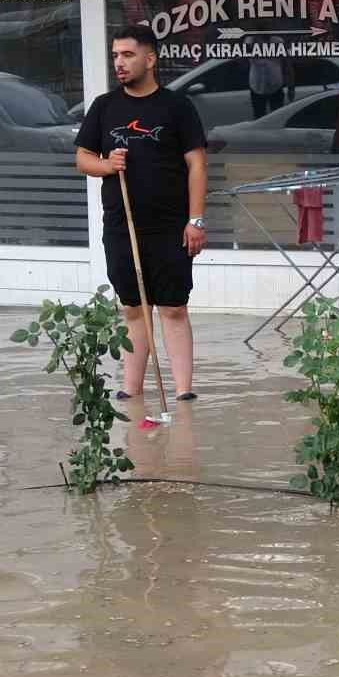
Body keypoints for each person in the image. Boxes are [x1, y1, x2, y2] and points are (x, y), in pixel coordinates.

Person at [75, 25, 208, 401]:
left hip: (170, 226)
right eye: (115, 55)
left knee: (173, 307)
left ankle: (183, 393)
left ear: (150, 59)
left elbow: (197, 164)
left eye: (127, 55)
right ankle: (131, 392)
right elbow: (82, 158)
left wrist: (195, 219)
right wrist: (107, 165)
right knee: (133, 309)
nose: (119, 62)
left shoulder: (177, 106)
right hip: (122, 226)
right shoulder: (104, 107)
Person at [248, 51, 291, 119]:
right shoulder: (250, 42)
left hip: (276, 88)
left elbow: (288, 66)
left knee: (278, 117)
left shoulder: (278, 42)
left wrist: (291, 87)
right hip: (257, 89)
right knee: (259, 119)